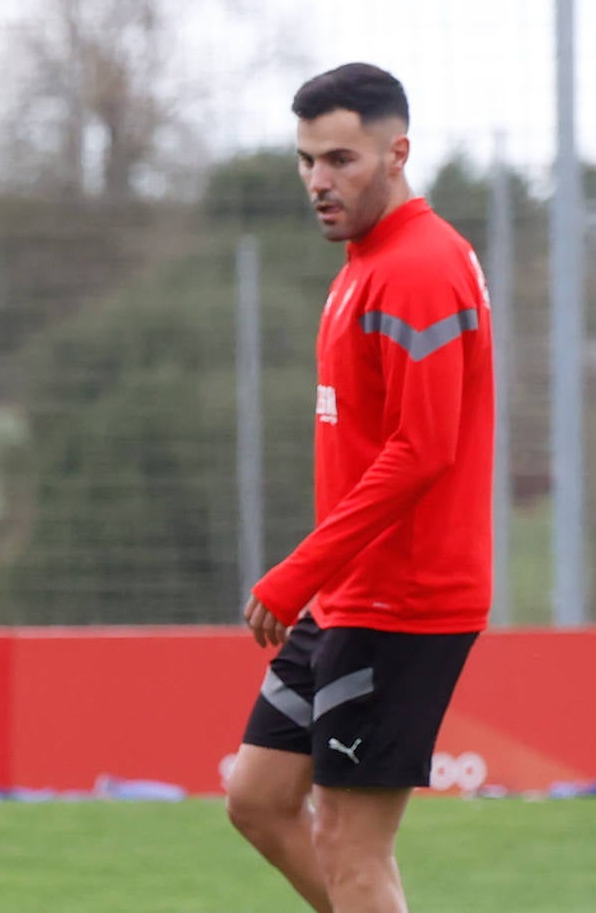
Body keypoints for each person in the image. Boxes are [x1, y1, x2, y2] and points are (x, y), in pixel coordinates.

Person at [224, 63, 494, 913]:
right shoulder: (366, 262)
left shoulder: (417, 267)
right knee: (260, 800)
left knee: (350, 841)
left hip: (402, 601)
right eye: (306, 160)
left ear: (396, 153)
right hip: (350, 594)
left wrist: (298, 570)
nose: (318, 180)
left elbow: (423, 452)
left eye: (340, 159)